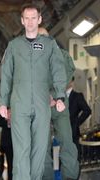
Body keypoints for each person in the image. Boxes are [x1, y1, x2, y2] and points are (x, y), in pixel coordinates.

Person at [0, 3, 67, 180]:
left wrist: (60, 96)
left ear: (39, 19)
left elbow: (58, 71)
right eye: (26, 18)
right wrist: (3, 103)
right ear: (22, 21)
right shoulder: (13, 46)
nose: (30, 22)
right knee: (21, 148)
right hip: (19, 103)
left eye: (33, 18)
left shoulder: (50, 45)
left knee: (40, 148)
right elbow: (6, 75)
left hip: (42, 103)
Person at [37, 27, 80, 180]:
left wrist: (55, 96)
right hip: (40, 106)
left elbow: (66, 74)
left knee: (66, 142)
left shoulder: (61, 56)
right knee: (41, 146)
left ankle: (70, 177)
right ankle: (46, 177)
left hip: (59, 104)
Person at [68, 77, 91, 161]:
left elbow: (87, 110)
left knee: (74, 159)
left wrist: (76, 123)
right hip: (59, 134)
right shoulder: (58, 96)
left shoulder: (77, 96)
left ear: (71, 82)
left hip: (73, 133)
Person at [0, 111, 13, 180]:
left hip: (23, 141)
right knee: (10, 166)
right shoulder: (5, 106)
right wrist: (9, 122)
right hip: (8, 142)